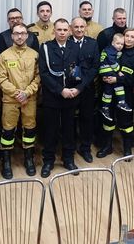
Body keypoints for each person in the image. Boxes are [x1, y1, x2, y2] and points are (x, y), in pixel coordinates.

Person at [39, 19, 83, 177]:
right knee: (50, 130)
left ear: (69, 31)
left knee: (69, 129)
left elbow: (78, 69)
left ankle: (68, 159)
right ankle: (48, 161)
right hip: (52, 96)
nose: (62, 32)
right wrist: (60, 90)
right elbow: (44, 73)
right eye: (59, 29)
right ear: (54, 31)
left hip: (70, 96)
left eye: (65, 30)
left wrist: (76, 89)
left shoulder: (75, 47)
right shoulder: (46, 47)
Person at [0, 23, 41, 178]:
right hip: (10, 100)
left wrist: (27, 92)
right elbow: (1, 79)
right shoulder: (4, 55)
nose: (20, 36)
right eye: (16, 33)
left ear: (27, 36)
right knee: (8, 131)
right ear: (12, 36)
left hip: (30, 99)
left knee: (29, 130)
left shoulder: (35, 54)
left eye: (23, 33)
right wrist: (17, 93)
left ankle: (29, 160)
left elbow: (38, 77)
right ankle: (6, 162)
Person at [97, 28, 134, 158]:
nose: (129, 39)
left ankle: (127, 149)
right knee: (107, 121)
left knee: (126, 123)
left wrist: (117, 79)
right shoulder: (113, 49)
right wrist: (104, 77)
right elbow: (102, 64)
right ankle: (107, 147)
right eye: (127, 35)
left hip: (125, 95)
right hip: (108, 92)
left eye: (132, 37)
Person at [70, 17, 100, 163]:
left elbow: (95, 67)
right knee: (69, 119)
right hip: (70, 88)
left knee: (87, 118)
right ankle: (69, 148)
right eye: (76, 27)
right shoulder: (66, 42)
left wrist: (81, 86)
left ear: (85, 28)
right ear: (71, 28)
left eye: (82, 27)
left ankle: (85, 148)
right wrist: (74, 88)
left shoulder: (93, 44)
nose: (79, 29)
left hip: (87, 88)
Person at [98, 33, 127, 122]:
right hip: (107, 69)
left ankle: (105, 107)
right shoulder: (111, 50)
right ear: (112, 43)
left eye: (122, 44)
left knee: (108, 91)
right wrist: (118, 71)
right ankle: (121, 102)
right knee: (119, 84)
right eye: (118, 43)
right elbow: (112, 62)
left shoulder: (110, 49)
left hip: (104, 71)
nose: (120, 46)